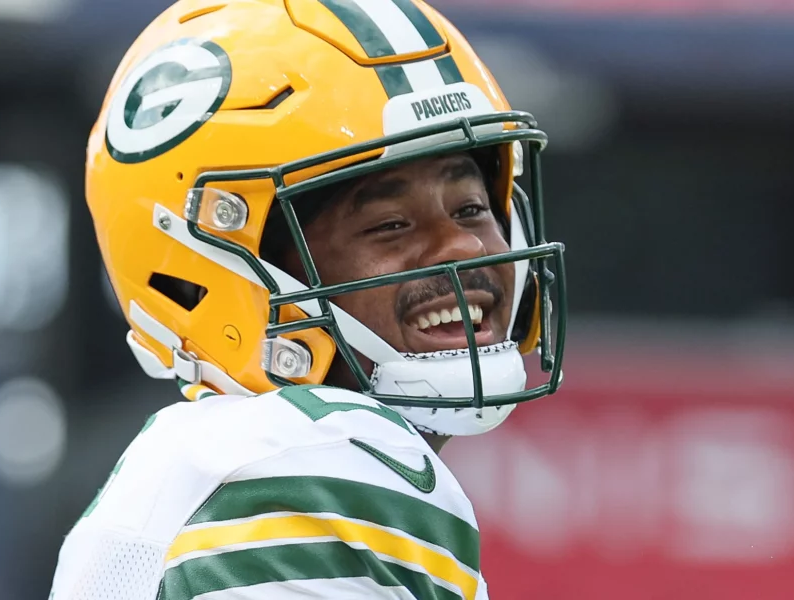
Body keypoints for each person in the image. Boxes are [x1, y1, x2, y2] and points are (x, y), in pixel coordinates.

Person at [50, 0, 566, 598]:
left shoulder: (197, 461)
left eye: (472, 208)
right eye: (390, 224)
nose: (461, 248)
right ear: (220, 265)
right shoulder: (316, 465)